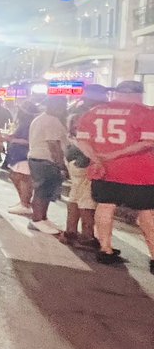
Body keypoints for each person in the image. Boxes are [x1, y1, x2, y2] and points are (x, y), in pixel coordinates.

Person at [75, 80, 154, 268]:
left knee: (105, 206)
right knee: (146, 212)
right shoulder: (145, 112)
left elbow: (81, 140)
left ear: (117, 93)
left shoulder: (94, 112)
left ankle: (105, 249)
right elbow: (148, 142)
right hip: (139, 173)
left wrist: (97, 159)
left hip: (104, 172)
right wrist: (114, 155)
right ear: (139, 94)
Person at [59, 84, 110, 248]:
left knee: (75, 195)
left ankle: (70, 232)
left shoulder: (76, 110)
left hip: (74, 158)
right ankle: (87, 235)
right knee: (87, 199)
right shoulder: (91, 114)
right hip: (85, 159)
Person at [24, 96, 68, 234]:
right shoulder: (52, 121)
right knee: (42, 191)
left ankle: (42, 218)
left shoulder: (40, 119)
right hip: (46, 160)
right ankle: (37, 220)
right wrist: (61, 164)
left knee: (45, 191)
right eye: (63, 105)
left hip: (37, 158)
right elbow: (53, 145)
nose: (64, 109)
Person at [4, 99, 39, 216]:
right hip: (17, 155)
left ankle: (25, 203)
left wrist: (12, 139)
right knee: (15, 176)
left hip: (23, 155)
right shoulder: (24, 123)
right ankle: (23, 201)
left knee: (24, 178)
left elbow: (29, 141)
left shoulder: (29, 124)